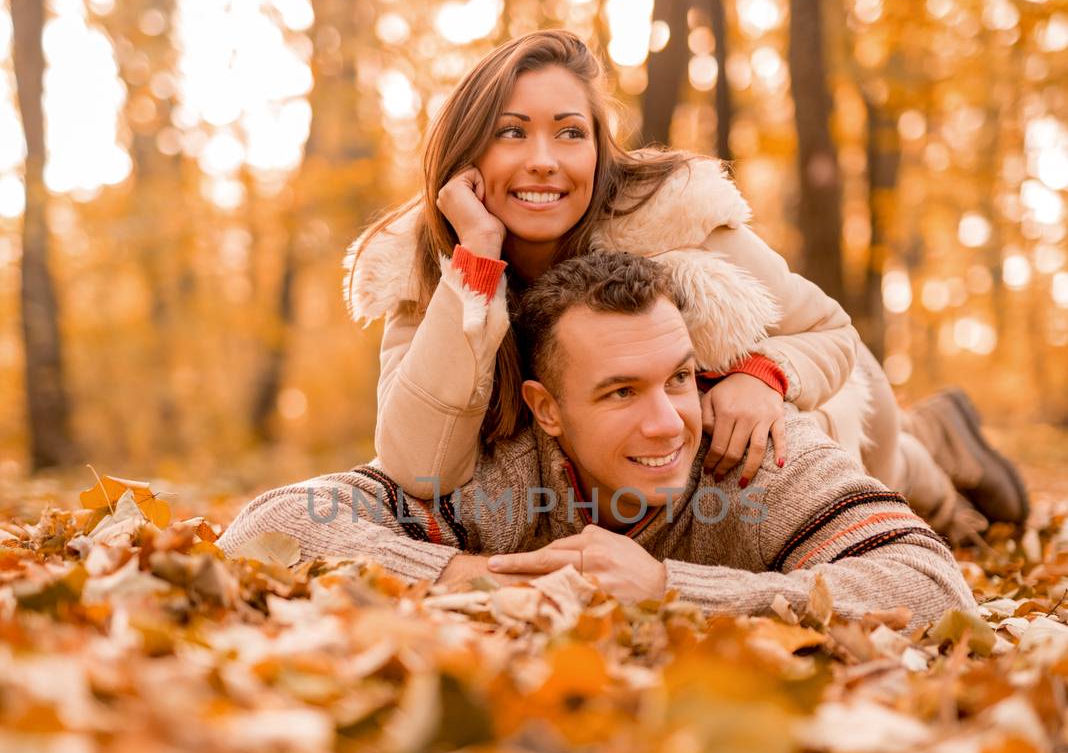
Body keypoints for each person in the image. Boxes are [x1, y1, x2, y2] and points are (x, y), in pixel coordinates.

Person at [343, 29, 1027, 546]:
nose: (543, 161)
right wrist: (477, 263)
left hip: (805, 413)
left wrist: (763, 375)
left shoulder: (670, 220)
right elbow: (417, 464)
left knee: (905, 478)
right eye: (511, 133)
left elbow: (830, 331)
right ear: (467, 157)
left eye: (570, 133)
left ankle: (937, 442)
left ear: (598, 151)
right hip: (645, 454)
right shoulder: (427, 268)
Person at [221, 252, 975, 632]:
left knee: (911, 464)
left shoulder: (750, 448)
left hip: (857, 415)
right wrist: (471, 575)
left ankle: (940, 440)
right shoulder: (501, 474)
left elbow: (932, 588)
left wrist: (671, 591)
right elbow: (268, 527)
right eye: (620, 392)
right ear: (545, 409)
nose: (666, 423)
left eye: (679, 378)